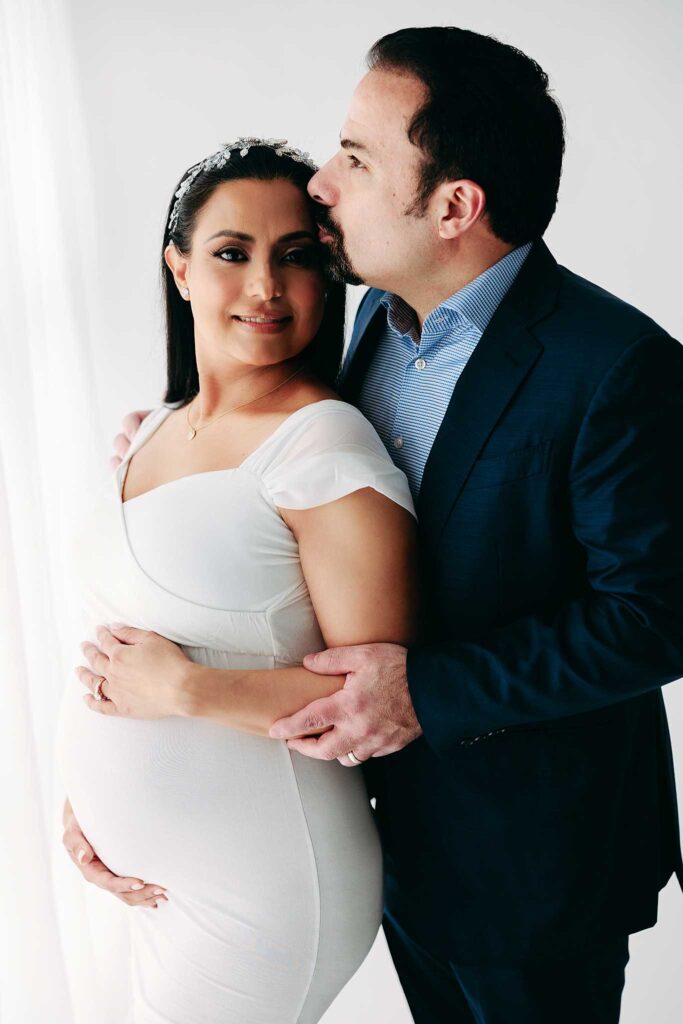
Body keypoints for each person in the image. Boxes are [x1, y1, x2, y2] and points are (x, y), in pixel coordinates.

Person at [74, 26, 683, 1024]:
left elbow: (655, 618)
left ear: (453, 206)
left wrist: (425, 692)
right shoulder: (370, 321)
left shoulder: (613, 365)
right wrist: (180, 452)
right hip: (389, 841)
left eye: (356, 158)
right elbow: (300, 485)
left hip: (532, 858)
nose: (322, 184)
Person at [57, 138, 418, 1024]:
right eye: (231, 253)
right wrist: (89, 799)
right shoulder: (151, 430)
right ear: (179, 269)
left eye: (295, 257)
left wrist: (184, 690)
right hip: (144, 887)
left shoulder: (322, 442)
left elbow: (377, 706)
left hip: (264, 883)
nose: (265, 287)